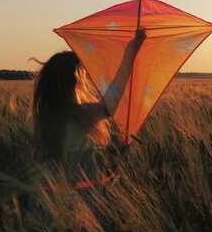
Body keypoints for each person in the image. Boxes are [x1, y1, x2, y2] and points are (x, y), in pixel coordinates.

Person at [30, 28, 146, 186]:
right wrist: (130, 54)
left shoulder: (42, 115)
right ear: (74, 81)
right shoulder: (80, 113)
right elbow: (111, 103)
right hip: (81, 187)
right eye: (81, 76)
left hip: (49, 188)